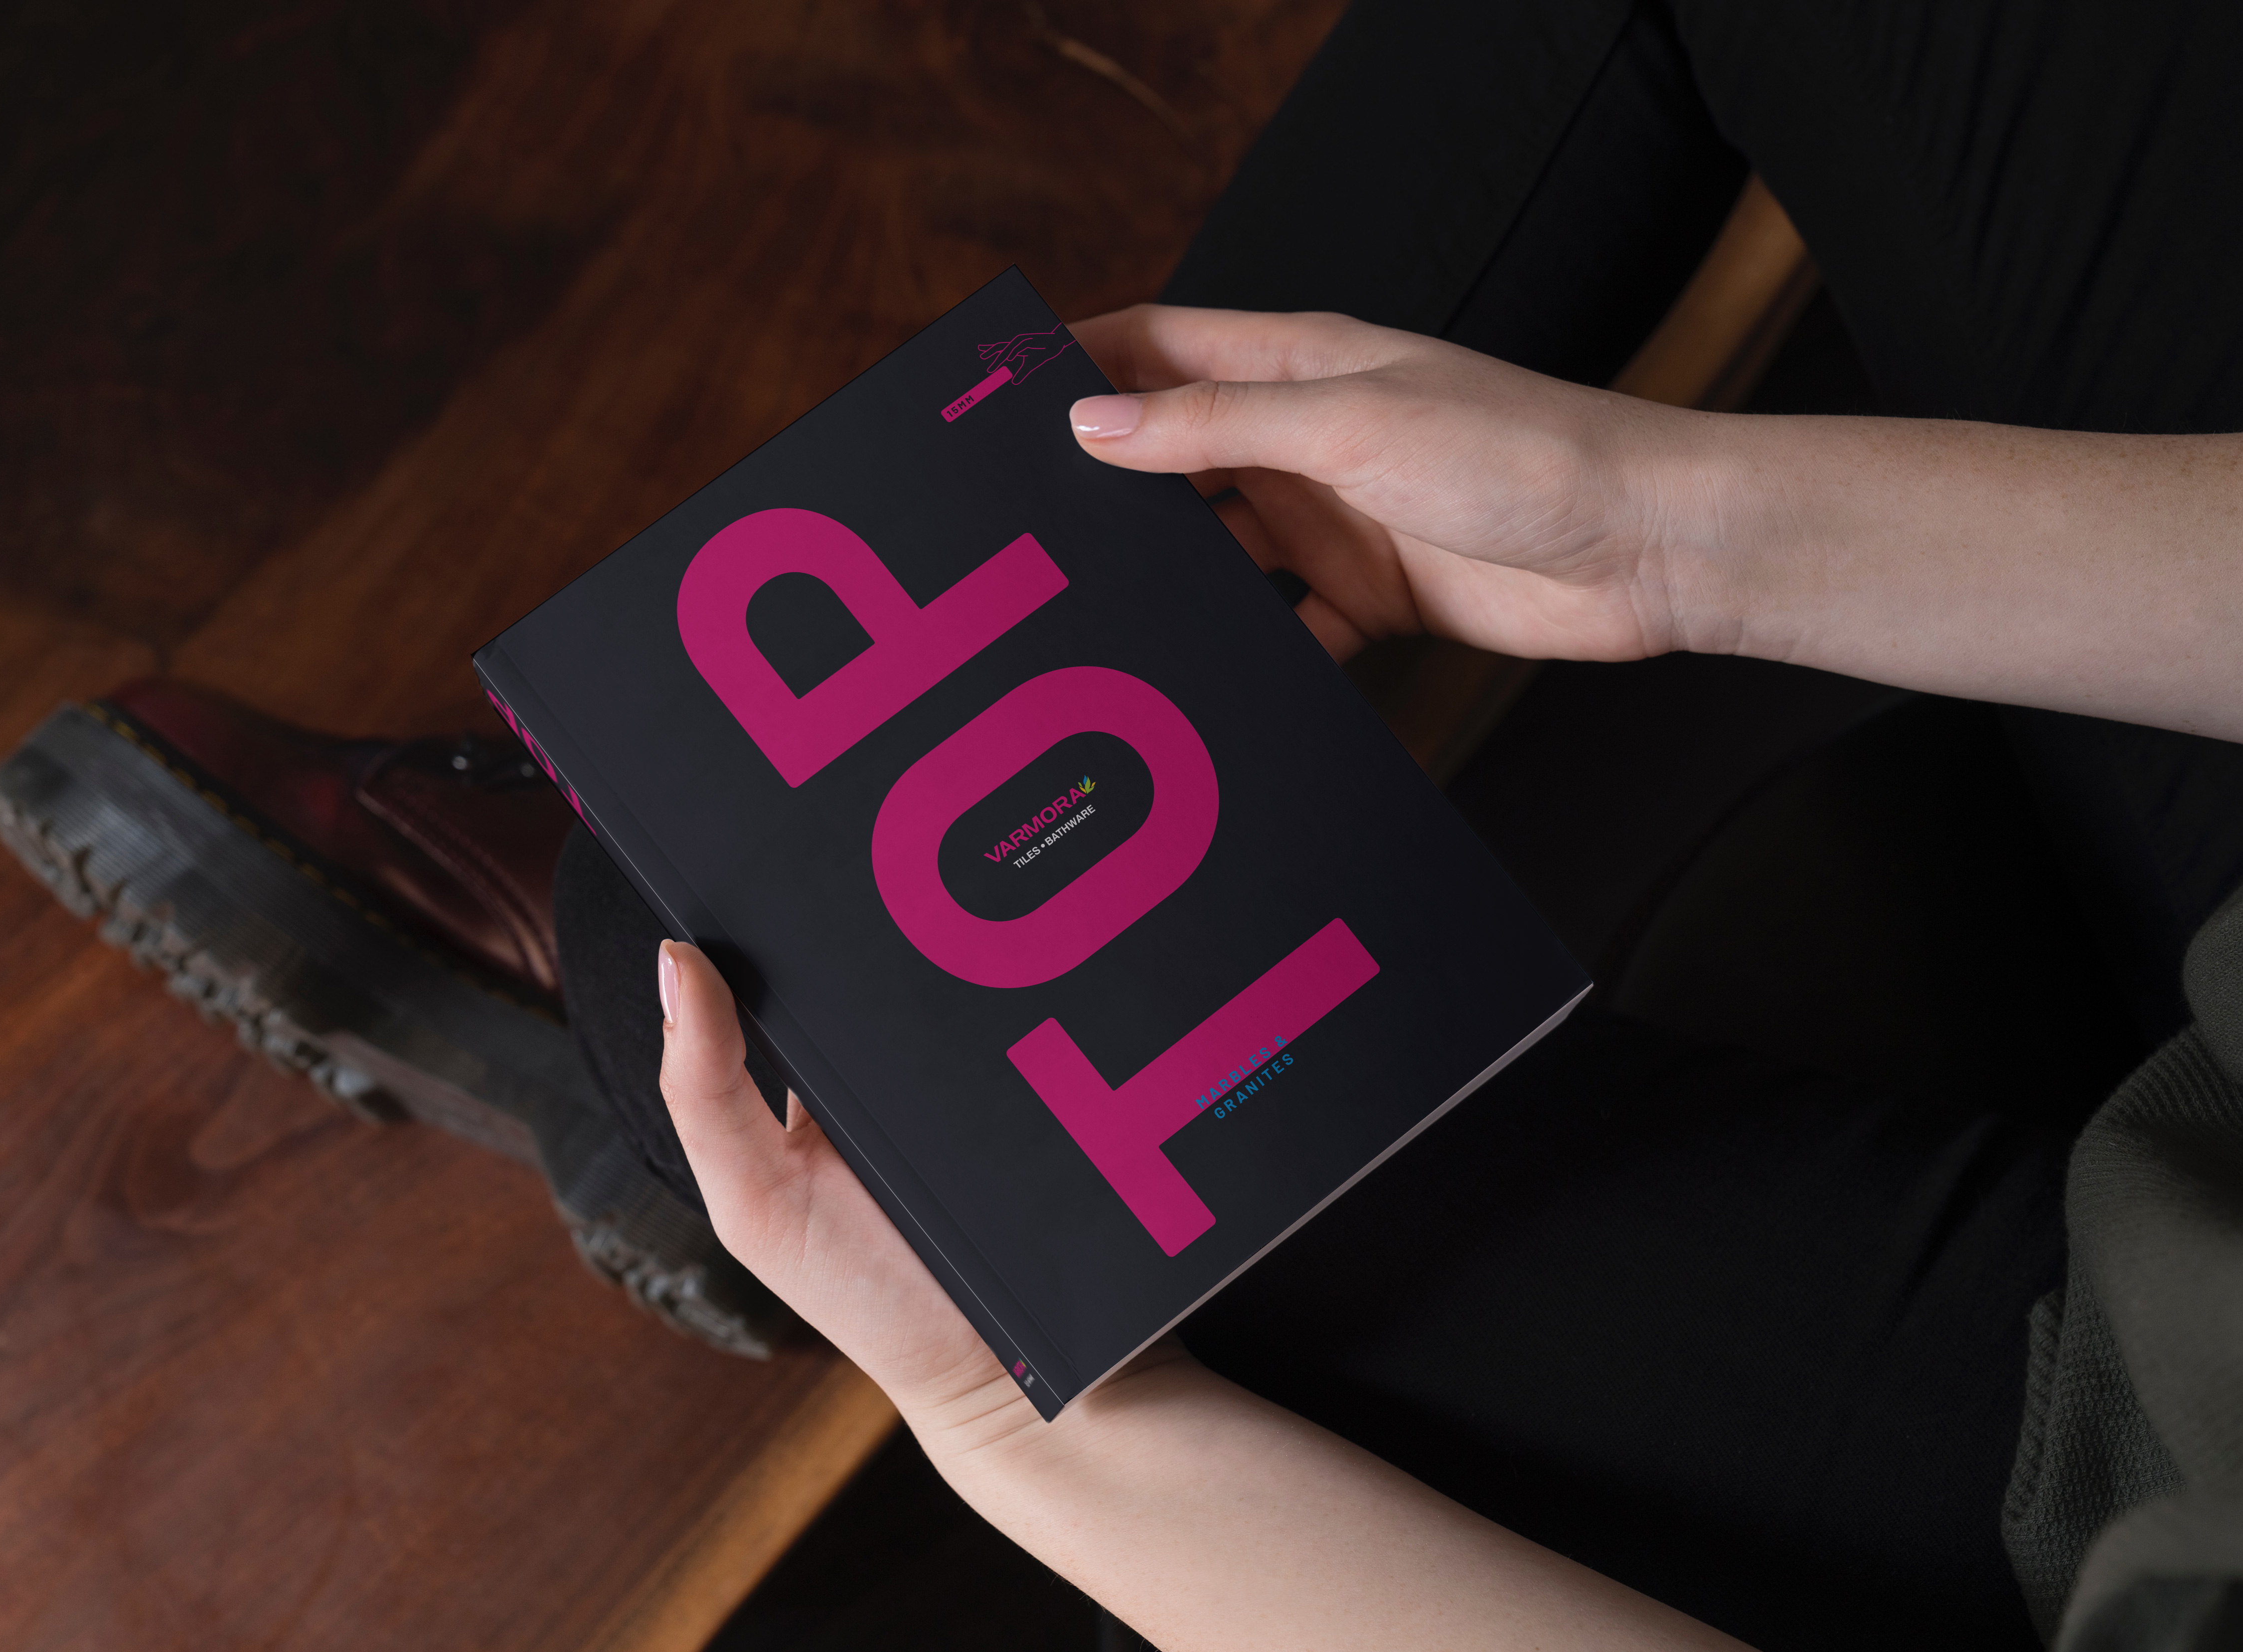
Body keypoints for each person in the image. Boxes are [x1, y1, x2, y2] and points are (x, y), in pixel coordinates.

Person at [634, 2, 2243, 1649]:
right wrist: (1666, 535)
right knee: (706, 921)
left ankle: (607, 1041)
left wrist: (1003, 1425)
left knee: (710, 967)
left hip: (2129, 1456)